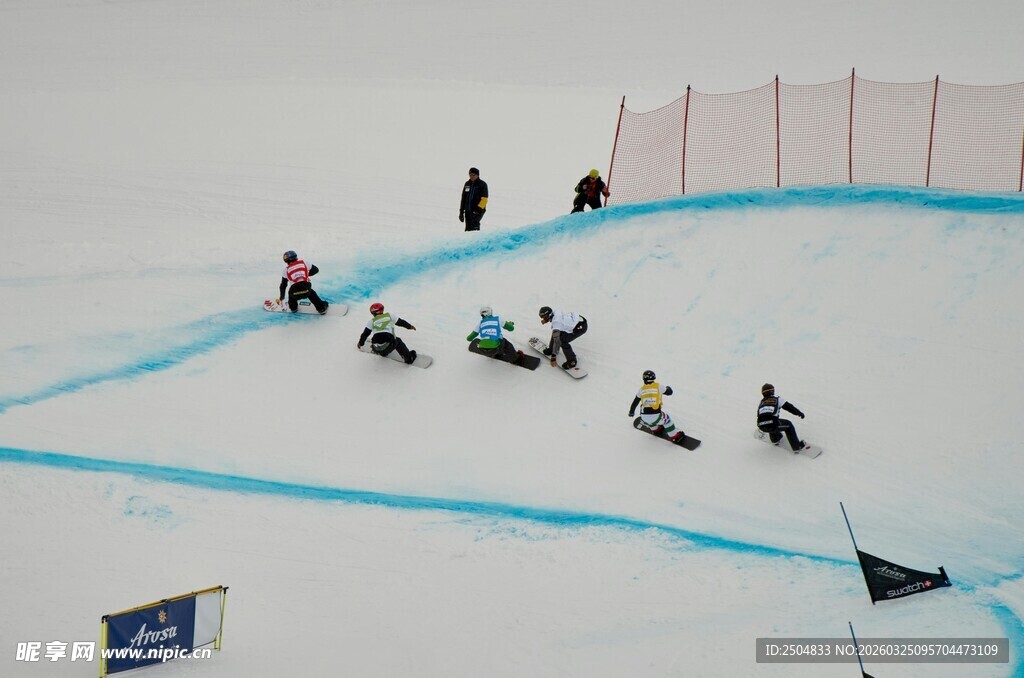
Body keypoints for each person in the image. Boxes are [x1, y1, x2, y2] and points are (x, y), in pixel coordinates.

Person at [628, 370, 686, 442]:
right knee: (667, 420)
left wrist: (631, 412)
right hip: (656, 415)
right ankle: (675, 436)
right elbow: (669, 392)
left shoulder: (641, 390)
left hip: (643, 416)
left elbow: (635, 402)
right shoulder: (658, 387)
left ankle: (656, 430)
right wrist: (668, 388)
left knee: (651, 421)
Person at [756, 383, 807, 451]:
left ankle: (775, 439)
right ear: (772, 391)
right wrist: (799, 413)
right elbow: (789, 407)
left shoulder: (762, 402)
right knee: (788, 425)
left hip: (761, 425)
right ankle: (797, 447)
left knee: (771, 421)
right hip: (773, 424)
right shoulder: (777, 399)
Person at [277, 250, 329, 314]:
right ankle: (321, 308)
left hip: (294, 293)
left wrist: (281, 298)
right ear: (296, 257)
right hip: (306, 290)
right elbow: (316, 270)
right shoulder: (304, 263)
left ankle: (293, 308)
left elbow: (283, 286)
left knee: (290, 292)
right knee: (311, 293)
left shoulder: (286, 270)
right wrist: (306, 274)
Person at [459, 167, 489, 232]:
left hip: (477, 211)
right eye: (470, 175)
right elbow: (463, 198)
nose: (471, 176)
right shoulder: (467, 184)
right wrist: (461, 212)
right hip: (468, 211)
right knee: (467, 229)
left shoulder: (482, 184)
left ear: (477, 175)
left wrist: (478, 210)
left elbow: (484, 199)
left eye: (473, 175)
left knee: (474, 228)